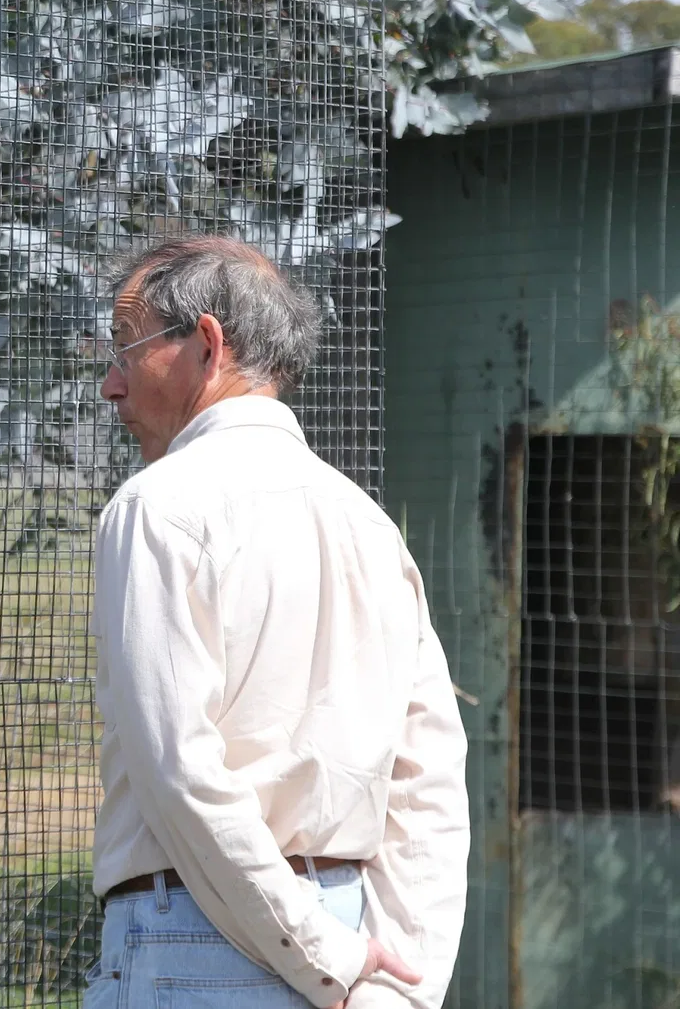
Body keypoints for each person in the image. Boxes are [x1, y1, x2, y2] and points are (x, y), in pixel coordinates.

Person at [85, 235, 470, 1009]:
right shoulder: (370, 526)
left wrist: (328, 955)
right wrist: (400, 985)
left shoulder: (155, 509)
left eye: (127, 350)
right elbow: (428, 776)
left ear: (206, 343)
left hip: (193, 941)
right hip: (359, 950)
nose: (110, 386)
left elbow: (179, 776)